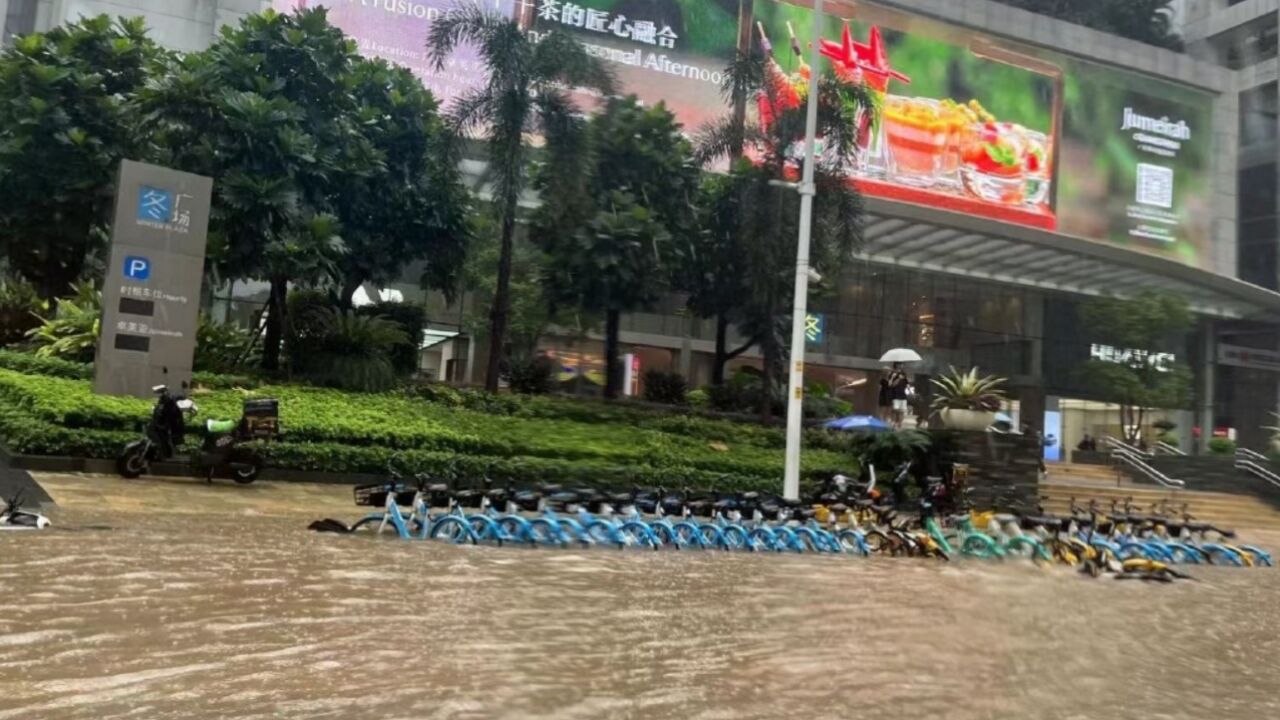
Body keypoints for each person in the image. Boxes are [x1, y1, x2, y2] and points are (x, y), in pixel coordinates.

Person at [884, 362, 910, 429]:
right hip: (895, 395)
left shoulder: (904, 374)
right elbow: (891, 385)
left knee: (901, 411)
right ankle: (894, 423)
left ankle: (900, 423)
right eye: (900, 364)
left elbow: (907, 383)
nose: (901, 366)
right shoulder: (893, 374)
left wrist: (908, 387)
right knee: (895, 410)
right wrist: (898, 379)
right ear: (896, 365)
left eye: (902, 364)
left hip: (903, 395)